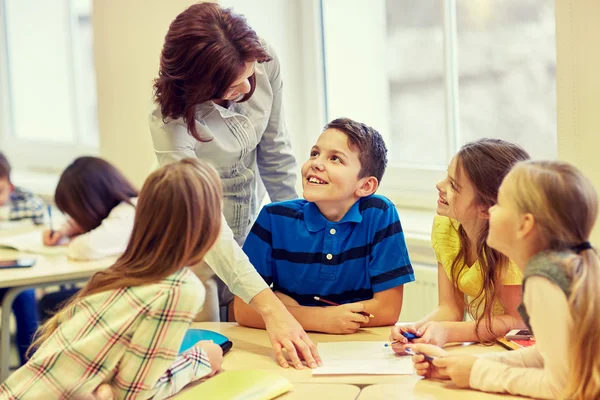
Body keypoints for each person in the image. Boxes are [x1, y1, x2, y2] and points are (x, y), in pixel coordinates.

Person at [149, 2, 319, 368]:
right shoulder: (171, 120)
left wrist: (299, 234)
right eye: (231, 84)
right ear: (199, 86)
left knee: (260, 349)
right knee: (211, 357)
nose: (246, 87)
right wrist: (271, 308)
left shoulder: (263, 57)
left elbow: (276, 155)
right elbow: (204, 222)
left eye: (249, 75)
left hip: (249, 226)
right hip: (194, 243)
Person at [0, 159, 225, 399]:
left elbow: (119, 385)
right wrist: (199, 361)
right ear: (208, 223)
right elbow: (133, 393)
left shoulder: (121, 272)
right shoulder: (179, 288)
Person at [407, 161, 600, 400]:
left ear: (525, 224)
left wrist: (477, 374)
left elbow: (561, 387)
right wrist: (463, 364)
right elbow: (546, 355)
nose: (490, 211)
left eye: (499, 204)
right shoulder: (559, 268)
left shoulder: (544, 280)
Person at [234, 118, 414, 334]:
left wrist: (286, 309)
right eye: (314, 153)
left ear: (365, 185)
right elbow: (243, 310)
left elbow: (387, 309)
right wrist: (321, 319)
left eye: (335, 158)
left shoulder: (379, 214)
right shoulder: (274, 217)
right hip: (293, 344)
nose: (316, 163)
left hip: (355, 347)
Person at [391, 139, 530, 350]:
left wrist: (447, 332)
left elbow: (519, 322)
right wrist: (415, 331)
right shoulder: (446, 227)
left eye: (453, 185)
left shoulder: (511, 246)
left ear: (485, 208)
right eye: (447, 177)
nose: (439, 186)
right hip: (488, 347)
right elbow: (450, 308)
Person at [39, 156, 139, 322]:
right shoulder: (127, 207)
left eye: (75, 212)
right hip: (133, 292)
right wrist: (67, 229)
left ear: (91, 202)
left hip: (136, 299)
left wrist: (73, 239)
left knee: (51, 303)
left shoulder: (127, 213)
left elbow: (84, 248)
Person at [0, 152, 44, 365]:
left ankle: (31, 368)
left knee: (25, 296)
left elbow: (39, 227)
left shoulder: (27, 201)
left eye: (0, 190)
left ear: (10, 182)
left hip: (17, 276)